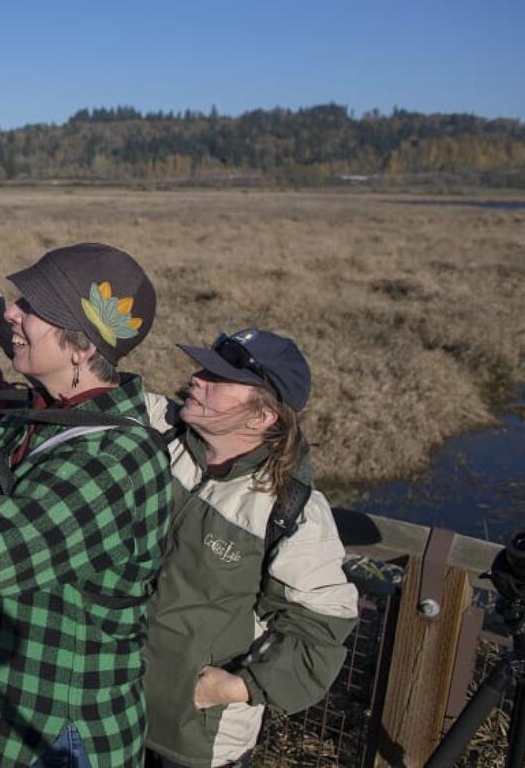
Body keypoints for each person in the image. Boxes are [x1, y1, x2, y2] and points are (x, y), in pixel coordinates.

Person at [0, 244, 173, 768]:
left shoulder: (112, 462)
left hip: (52, 734)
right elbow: (68, 364)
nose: (11, 310)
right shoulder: (51, 410)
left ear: (80, 349)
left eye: (31, 307)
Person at [141, 328, 358, 768]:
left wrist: (233, 689)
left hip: (196, 742)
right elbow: (85, 385)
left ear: (261, 418)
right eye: (204, 368)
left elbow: (321, 635)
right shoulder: (166, 433)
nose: (196, 379)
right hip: (114, 707)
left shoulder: (290, 512)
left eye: (217, 379)